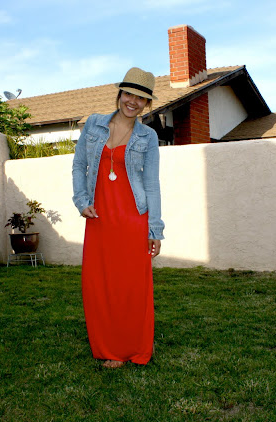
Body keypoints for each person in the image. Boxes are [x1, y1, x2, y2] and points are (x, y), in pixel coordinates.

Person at [72, 67, 164, 368]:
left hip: (132, 219)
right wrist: (81, 201)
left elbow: (152, 184)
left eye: (141, 98)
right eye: (129, 94)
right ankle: (109, 346)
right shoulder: (94, 125)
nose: (133, 102)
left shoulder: (148, 136)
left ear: (146, 104)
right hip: (99, 218)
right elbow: (79, 165)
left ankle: (131, 347)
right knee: (99, 285)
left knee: (130, 286)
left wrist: (154, 229)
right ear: (120, 94)